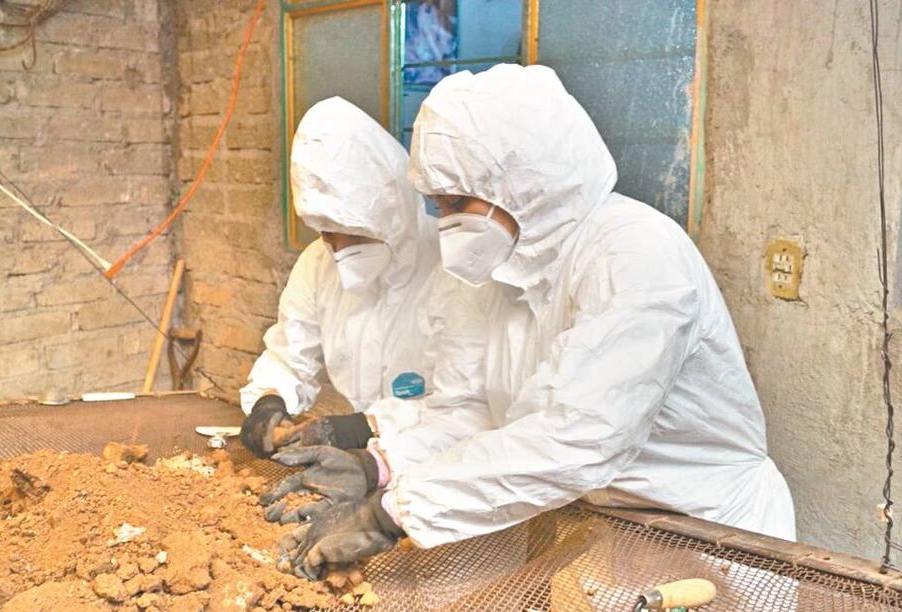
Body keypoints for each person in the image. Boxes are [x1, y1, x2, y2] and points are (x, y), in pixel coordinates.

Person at [274, 64, 797, 580]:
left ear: (520, 181)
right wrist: (379, 464)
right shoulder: (499, 270)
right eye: (439, 207)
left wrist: (392, 513)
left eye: (457, 203)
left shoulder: (635, 257)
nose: (448, 225)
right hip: (607, 526)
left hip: (710, 532)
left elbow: (576, 439)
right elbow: (472, 412)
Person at [239, 97, 470, 501]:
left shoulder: (453, 267)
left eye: (348, 230)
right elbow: (291, 355)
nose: (335, 246)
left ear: (388, 213)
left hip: (448, 475)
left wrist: (367, 426)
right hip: (363, 470)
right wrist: (269, 400)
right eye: (324, 230)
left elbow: (469, 405)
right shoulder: (318, 264)